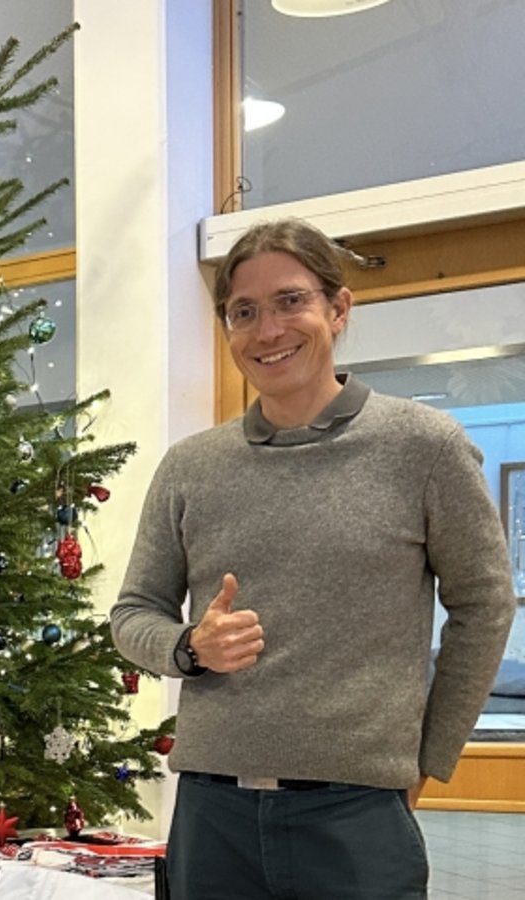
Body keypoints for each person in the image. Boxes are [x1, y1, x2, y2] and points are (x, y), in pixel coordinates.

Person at [110, 218, 514, 900]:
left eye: (290, 300)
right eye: (244, 312)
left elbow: (485, 604)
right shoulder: (190, 468)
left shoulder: (424, 447)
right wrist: (190, 647)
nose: (268, 330)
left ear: (338, 309)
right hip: (213, 816)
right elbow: (131, 614)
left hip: (357, 817)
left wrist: (428, 758)